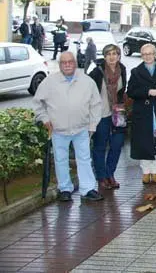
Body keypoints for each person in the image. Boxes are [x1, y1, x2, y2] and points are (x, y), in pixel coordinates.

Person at [34, 52, 103, 202]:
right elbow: (37, 103)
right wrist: (45, 119)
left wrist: (92, 126)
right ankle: (65, 188)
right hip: (58, 130)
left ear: (75, 63)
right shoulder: (49, 82)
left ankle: (88, 189)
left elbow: (96, 105)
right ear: (59, 65)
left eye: (70, 62)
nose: (67, 65)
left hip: (81, 129)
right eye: (64, 62)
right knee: (60, 160)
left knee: (84, 159)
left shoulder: (87, 81)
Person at [127, 43, 156, 184]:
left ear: (155, 54)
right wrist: (147, 92)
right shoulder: (136, 71)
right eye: (144, 54)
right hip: (143, 113)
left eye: (150, 53)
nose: (148, 56)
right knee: (144, 142)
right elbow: (131, 91)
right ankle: (145, 171)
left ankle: (155, 171)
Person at [89, 44, 128, 192]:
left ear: (119, 56)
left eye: (115, 54)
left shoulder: (122, 70)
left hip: (118, 113)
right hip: (101, 114)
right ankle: (101, 177)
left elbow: (122, 90)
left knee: (117, 145)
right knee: (100, 146)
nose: (112, 57)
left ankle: (110, 173)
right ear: (104, 57)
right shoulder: (97, 72)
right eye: (109, 54)